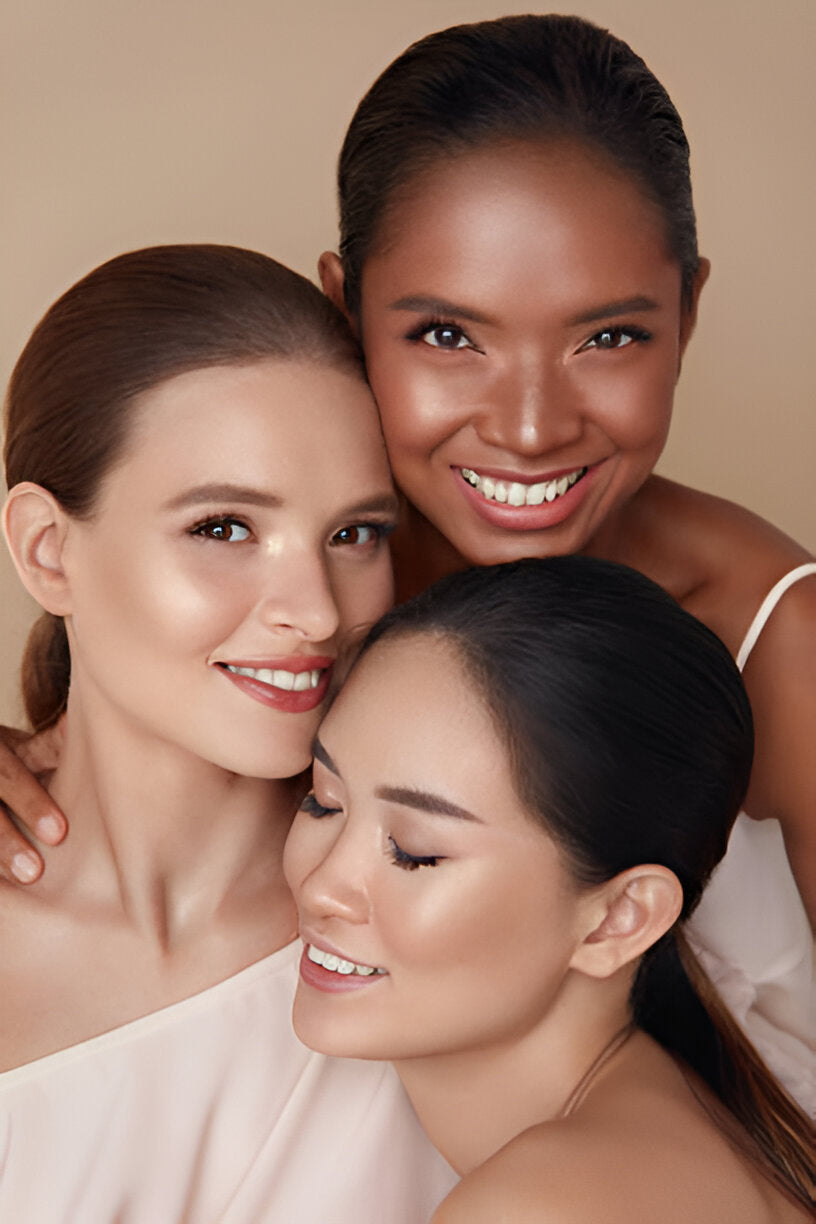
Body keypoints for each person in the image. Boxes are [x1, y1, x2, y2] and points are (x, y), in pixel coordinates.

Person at [0, 13, 813, 1105]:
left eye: (609, 337)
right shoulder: (301, 610)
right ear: (347, 309)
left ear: (689, 309)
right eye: (448, 335)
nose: (531, 429)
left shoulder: (777, 636)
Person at [0, 244, 455, 1221]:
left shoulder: (465, 902)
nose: (317, 612)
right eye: (223, 528)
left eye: (354, 534)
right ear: (47, 551)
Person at [285, 556, 815, 1223]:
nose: (322, 887)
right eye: (323, 801)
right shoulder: (666, 1136)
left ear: (619, 917)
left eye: (415, 852)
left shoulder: (537, 1206)